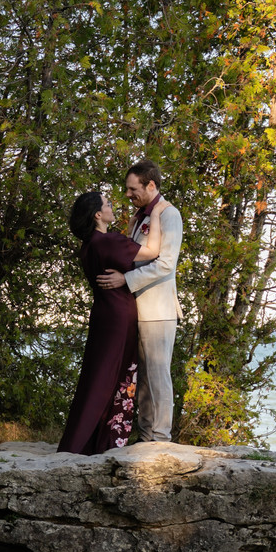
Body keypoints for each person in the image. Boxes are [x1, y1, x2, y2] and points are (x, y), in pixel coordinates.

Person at [57, 188, 166, 455]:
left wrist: (130, 227)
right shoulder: (109, 242)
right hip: (119, 315)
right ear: (98, 214)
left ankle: (89, 440)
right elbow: (152, 251)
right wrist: (159, 214)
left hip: (103, 316)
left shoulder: (91, 245)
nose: (112, 206)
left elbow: (122, 247)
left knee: (99, 375)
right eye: (107, 204)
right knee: (116, 376)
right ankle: (99, 442)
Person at [96, 159, 183, 443]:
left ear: (151, 185)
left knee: (157, 377)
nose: (128, 195)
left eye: (133, 189)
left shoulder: (169, 215)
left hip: (158, 309)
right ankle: (146, 435)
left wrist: (125, 280)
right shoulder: (141, 217)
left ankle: (159, 438)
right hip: (137, 308)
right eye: (126, 189)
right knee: (142, 379)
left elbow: (166, 264)